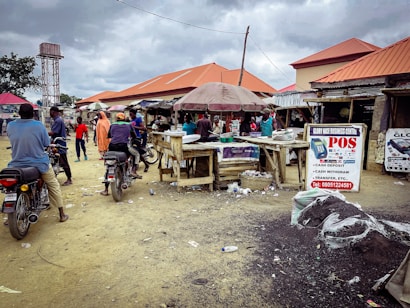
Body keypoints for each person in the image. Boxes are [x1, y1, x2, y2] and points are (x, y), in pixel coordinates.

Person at [6, 104, 69, 222]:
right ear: (33, 114)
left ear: (19, 114)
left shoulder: (10, 125)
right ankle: (61, 213)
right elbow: (46, 143)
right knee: (53, 184)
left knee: (11, 187)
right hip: (39, 164)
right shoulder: (39, 125)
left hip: (16, 164)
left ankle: (10, 214)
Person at [100, 112, 140, 196]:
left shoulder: (112, 125)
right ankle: (133, 171)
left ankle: (106, 190)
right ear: (124, 118)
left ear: (117, 118)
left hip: (112, 146)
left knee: (109, 166)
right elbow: (134, 136)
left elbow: (109, 136)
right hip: (123, 146)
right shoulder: (129, 125)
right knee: (136, 154)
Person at [49, 106, 73, 186]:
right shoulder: (57, 120)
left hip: (59, 144)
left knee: (63, 161)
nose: (50, 113)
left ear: (53, 112)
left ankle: (69, 178)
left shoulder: (58, 121)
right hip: (56, 143)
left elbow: (54, 132)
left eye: (50, 112)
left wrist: (43, 133)